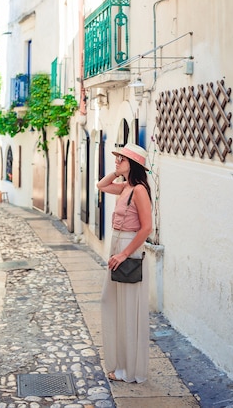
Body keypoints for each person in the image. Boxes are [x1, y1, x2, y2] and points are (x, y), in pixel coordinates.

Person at [97, 143, 153, 383]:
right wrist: (118, 172)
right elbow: (101, 185)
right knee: (113, 303)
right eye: (118, 158)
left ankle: (129, 370)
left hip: (128, 250)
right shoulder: (125, 188)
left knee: (129, 310)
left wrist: (124, 254)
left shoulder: (139, 190)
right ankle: (121, 365)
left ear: (134, 164)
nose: (117, 161)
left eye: (122, 159)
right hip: (117, 247)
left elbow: (147, 227)